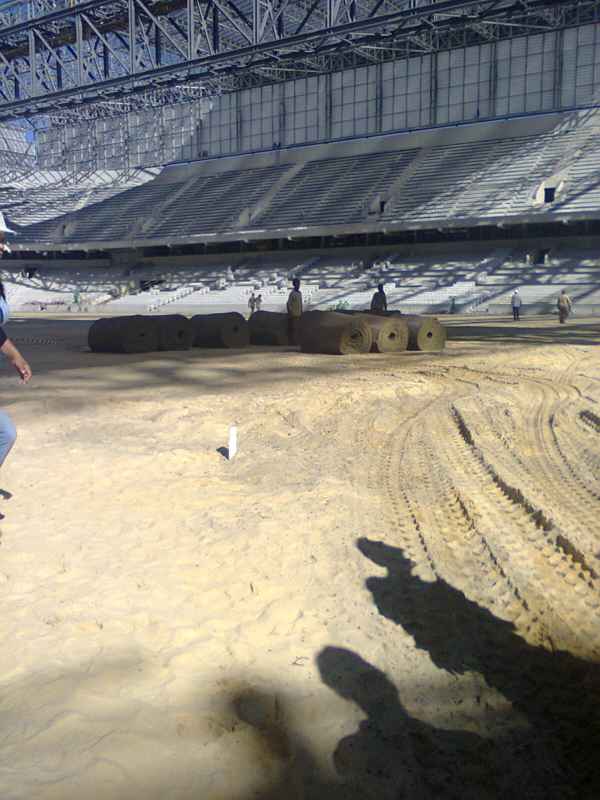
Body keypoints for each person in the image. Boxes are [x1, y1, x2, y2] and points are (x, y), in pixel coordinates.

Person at [287, 278, 303, 345]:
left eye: (299, 283)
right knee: (294, 329)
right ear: (294, 284)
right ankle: (293, 342)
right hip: (294, 314)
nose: (298, 285)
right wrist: (291, 312)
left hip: (299, 314)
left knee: (298, 329)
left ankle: (297, 341)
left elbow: (301, 303)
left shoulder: (299, 293)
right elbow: (288, 303)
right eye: (297, 283)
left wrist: (301, 311)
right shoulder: (292, 293)